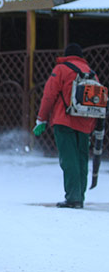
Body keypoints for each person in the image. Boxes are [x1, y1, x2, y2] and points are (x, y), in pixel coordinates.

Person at [33, 43, 97, 209]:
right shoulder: (91, 74)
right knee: (82, 160)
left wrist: (41, 119)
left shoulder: (61, 69)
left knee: (69, 159)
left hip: (64, 121)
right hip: (85, 123)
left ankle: (72, 198)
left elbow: (49, 96)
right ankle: (79, 197)